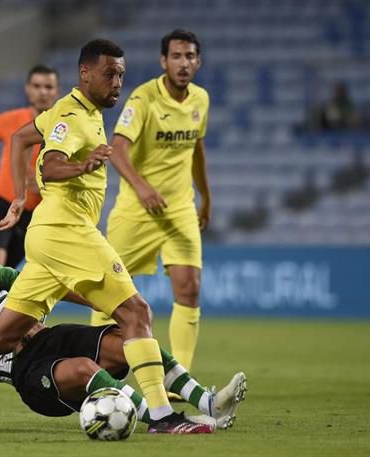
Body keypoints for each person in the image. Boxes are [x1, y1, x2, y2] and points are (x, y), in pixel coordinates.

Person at [0, 39, 216, 434]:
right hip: (65, 232)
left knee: (0, 333)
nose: (118, 81)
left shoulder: (65, 113)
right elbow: (49, 167)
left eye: (121, 73)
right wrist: (80, 165)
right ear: (85, 74)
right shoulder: (73, 116)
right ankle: (160, 416)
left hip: (45, 253)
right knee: (136, 313)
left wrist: (20, 197)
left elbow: (21, 140)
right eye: (110, 74)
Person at [0, 228, 247, 432]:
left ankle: (207, 401)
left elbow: (40, 286)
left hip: (49, 335)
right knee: (84, 368)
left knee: (127, 339)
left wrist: (103, 302)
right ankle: (161, 420)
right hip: (25, 371)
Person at [90, 30, 212, 378]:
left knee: (190, 289)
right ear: (163, 61)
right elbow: (118, 148)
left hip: (180, 208)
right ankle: (99, 367)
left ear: (198, 62)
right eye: (176, 56)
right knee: (108, 291)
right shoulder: (144, 99)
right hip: (136, 210)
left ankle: (181, 379)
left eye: (189, 56)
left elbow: (197, 150)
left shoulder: (200, 100)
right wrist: (142, 188)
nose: (183, 63)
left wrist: (206, 196)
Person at [0, 65, 60, 267]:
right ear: (27, 89)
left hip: (37, 215)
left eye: (48, 87)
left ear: (56, 91)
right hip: (2, 203)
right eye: (37, 86)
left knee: (5, 276)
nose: (42, 92)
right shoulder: (11, 120)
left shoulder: (64, 128)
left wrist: (44, 186)